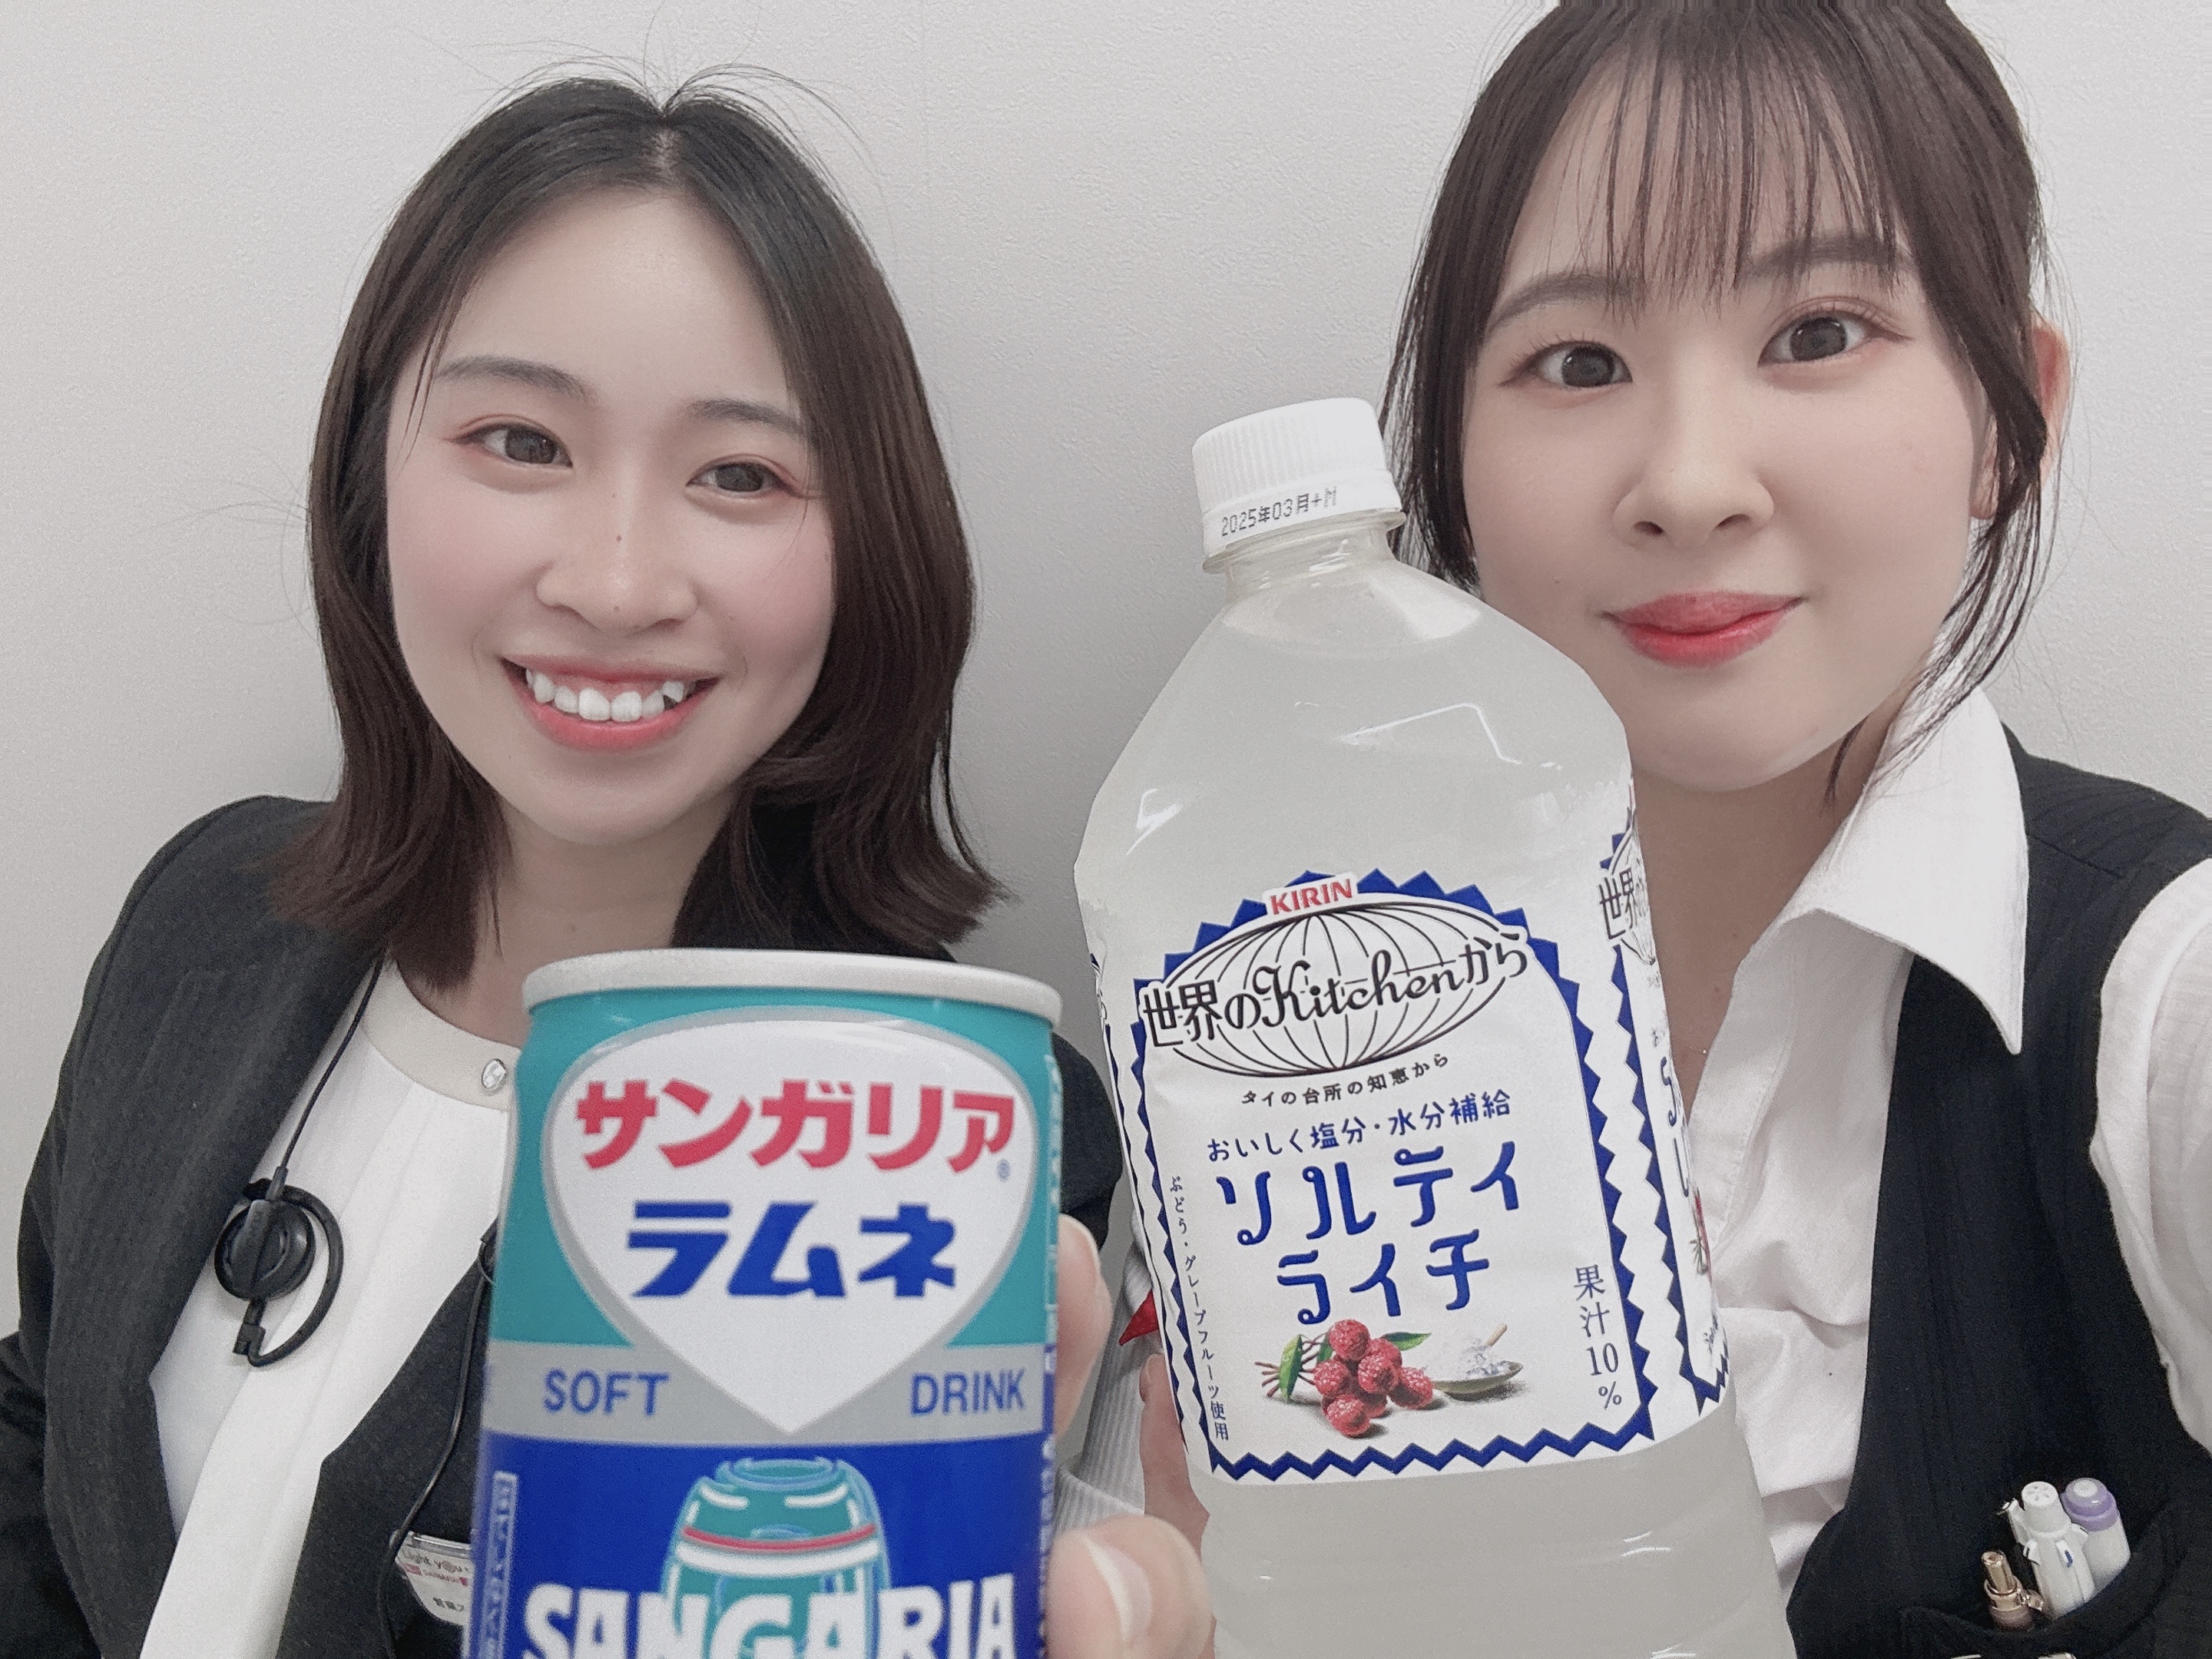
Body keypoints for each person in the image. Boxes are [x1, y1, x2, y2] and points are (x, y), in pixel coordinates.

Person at [0, 78, 1209, 1659]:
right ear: (371, 470)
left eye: (741, 476)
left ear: (867, 551)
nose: (618, 582)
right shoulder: (207, 911)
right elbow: (39, 1428)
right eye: (521, 442)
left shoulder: (959, 1126)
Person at [1065, 4, 2209, 1654]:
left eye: (1819, 331)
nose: (1689, 480)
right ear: (1443, 468)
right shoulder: (1260, 1018)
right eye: (1579, 364)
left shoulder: (2161, 995)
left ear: (2008, 423)